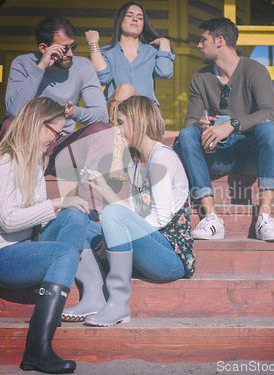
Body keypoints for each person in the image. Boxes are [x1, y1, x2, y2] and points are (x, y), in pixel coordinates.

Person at [0, 97, 92, 374]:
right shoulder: (2, 161)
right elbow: (9, 220)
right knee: (66, 250)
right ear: (38, 124)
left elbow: (37, 217)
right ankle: (37, 350)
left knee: (75, 214)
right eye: (56, 132)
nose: (57, 139)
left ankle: (53, 298)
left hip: (23, 246)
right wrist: (58, 202)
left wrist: (68, 206)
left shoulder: (35, 160)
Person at [63, 96, 195, 325]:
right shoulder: (137, 162)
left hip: (170, 257)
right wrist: (103, 187)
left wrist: (120, 235)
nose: (117, 129)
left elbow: (160, 218)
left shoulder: (162, 157)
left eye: (121, 122)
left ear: (137, 121)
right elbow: (132, 211)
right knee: (80, 223)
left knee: (112, 214)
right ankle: (94, 296)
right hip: (147, 249)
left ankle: (118, 304)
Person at [174, 17, 274, 242]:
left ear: (219, 41)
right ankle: (211, 217)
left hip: (250, 155)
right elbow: (189, 122)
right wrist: (201, 125)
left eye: (203, 39)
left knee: (270, 129)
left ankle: (264, 216)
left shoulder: (255, 71)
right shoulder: (200, 77)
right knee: (186, 135)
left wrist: (231, 125)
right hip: (216, 154)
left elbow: (271, 113)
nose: (199, 45)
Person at [4, 15, 112, 210]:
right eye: (64, 49)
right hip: (30, 145)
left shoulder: (82, 66)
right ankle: (16, 201)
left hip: (63, 147)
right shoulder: (23, 64)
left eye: (73, 46)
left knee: (103, 130)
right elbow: (14, 110)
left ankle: (92, 207)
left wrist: (75, 113)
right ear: (44, 48)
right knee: (9, 125)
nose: (70, 53)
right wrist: (42, 66)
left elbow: (101, 115)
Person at [85, 1, 174, 108]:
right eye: (129, 15)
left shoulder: (151, 51)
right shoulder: (107, 52)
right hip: (117, 114)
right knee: (125, 89)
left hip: (145, 115)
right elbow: (103, 78)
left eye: (140, 18)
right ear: (120, 20)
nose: (135, 19)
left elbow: (164, 72)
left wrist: (165, 41)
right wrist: (93, 44)